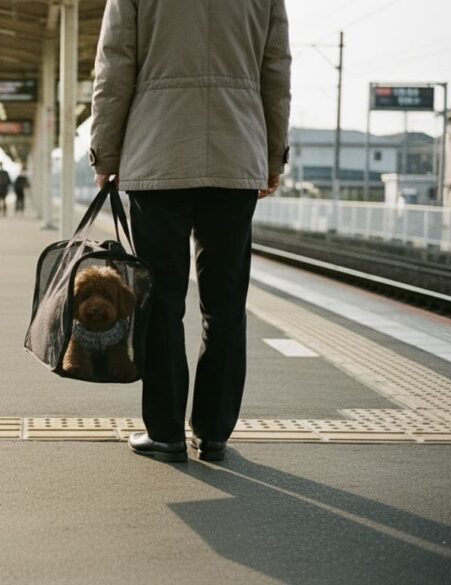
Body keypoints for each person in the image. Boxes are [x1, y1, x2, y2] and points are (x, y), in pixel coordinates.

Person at [89, 0, 291, 462]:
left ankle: (165, 433)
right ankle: (214, 432)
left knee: (161, 302)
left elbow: (114, 67)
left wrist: (105, 152)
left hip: (157, 154)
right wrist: (273, 155)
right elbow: (276, 73)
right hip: (235, 155)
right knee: (225, 305)